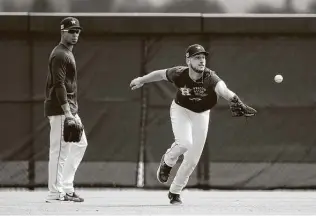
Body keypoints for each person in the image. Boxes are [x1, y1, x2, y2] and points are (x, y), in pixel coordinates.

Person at [130, 44, 256, 205]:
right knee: (184, 143)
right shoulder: (179, 73)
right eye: (197, 57)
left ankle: (175, 192)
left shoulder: (210, 77)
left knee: (192, 158)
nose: (201, 61)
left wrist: (235, 99)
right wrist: (141, 80)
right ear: (188, 60)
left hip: (201, 114)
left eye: (203, 57)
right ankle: (168, 161)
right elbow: (160, 74)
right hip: (181, 110)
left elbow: (223, 89)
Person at [44, 17, 87, 203]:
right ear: (63, 32)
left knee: (80, 144)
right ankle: (55, 193)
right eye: (71, 31)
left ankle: (66, 187)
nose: (75, 34)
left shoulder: (67, 52)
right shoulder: (60, 54)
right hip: (61, 109)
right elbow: (58, 85)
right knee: (59, 151)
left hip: (69, 109)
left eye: (77, 31)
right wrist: (68, 113)